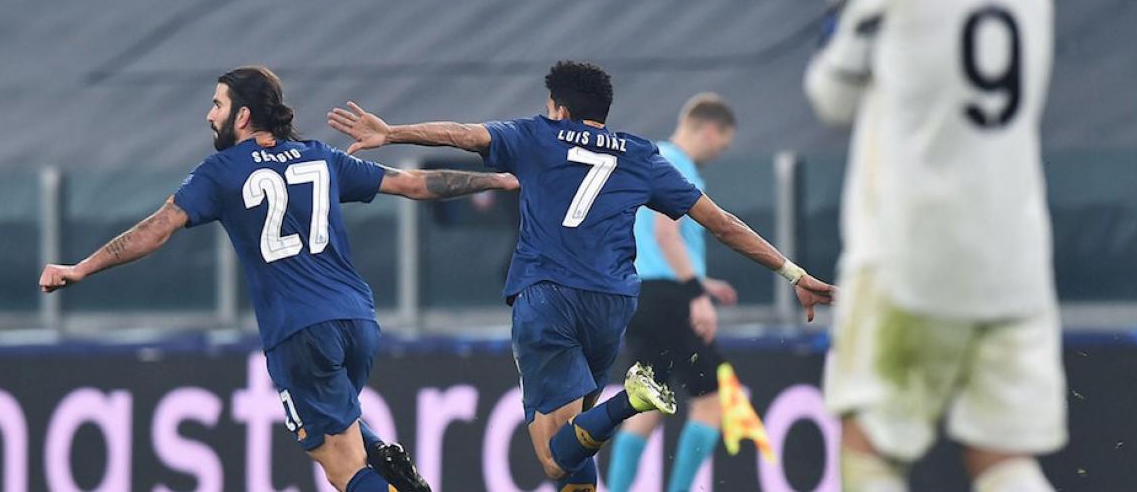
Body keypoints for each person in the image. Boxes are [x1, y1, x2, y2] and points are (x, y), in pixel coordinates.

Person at [329, 60, 834, 490]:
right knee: (575, 446)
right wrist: (794, 273)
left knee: (553, 456)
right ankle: (622, 406)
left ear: (560, 108)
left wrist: (390, 132)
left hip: (548, 298)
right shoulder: (640, 155)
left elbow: (463, 134)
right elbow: (722, 224)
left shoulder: (536, 135)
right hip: (612, 304)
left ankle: (630, 401)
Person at [39, 66, 518, 492]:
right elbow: (413, 183)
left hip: (299, 332)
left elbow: (156, 230)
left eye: (217, 104)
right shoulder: (320, 157)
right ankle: (385, 462)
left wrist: (81, 267)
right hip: (358, 321)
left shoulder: (220, 172)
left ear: (242, 116)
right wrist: (494, 181)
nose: (209, 115)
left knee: (342, 469)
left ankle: (380, 474)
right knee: (348, 435)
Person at [804, 0, 1064, 492]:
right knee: (1002, 455)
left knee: (870, 447)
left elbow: (831, 95)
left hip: (910, 252)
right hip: (1014, 253)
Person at [608, 92, 739, 492]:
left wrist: (702, 282)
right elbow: (667, 234)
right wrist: (696, 294)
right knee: (711, 401)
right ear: (710, 128)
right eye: (723, 142)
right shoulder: (678, 167)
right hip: (671, 298)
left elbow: (648, 240)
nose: (720, 151)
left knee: (647, 402)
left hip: (641, 295)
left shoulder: (647, 159)